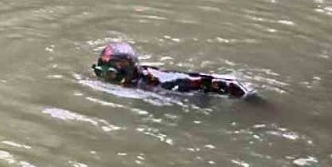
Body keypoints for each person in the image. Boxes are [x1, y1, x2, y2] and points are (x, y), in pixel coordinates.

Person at [91, 42, 255, 99]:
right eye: (100, 72)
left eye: (111, 74)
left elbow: (221, 84)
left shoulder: (160, 82)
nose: (104, 79)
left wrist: (250, 98)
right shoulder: (137, 84)